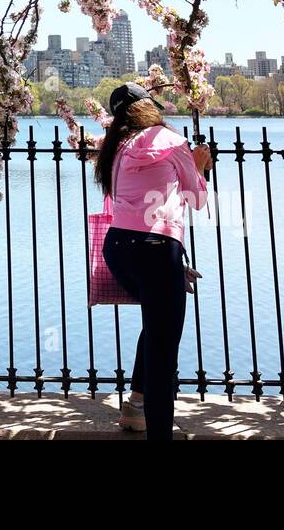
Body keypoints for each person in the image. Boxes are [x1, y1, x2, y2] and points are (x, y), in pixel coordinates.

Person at [96, 83, 212, 440]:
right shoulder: (171, 140)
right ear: (149, 108)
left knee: (156, 323)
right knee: (164, 350)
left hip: (118, 248)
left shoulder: (115, 148)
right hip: (157, 248)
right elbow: (196, 199)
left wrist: (172, 268)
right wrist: (200, 166)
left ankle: (135, 405)